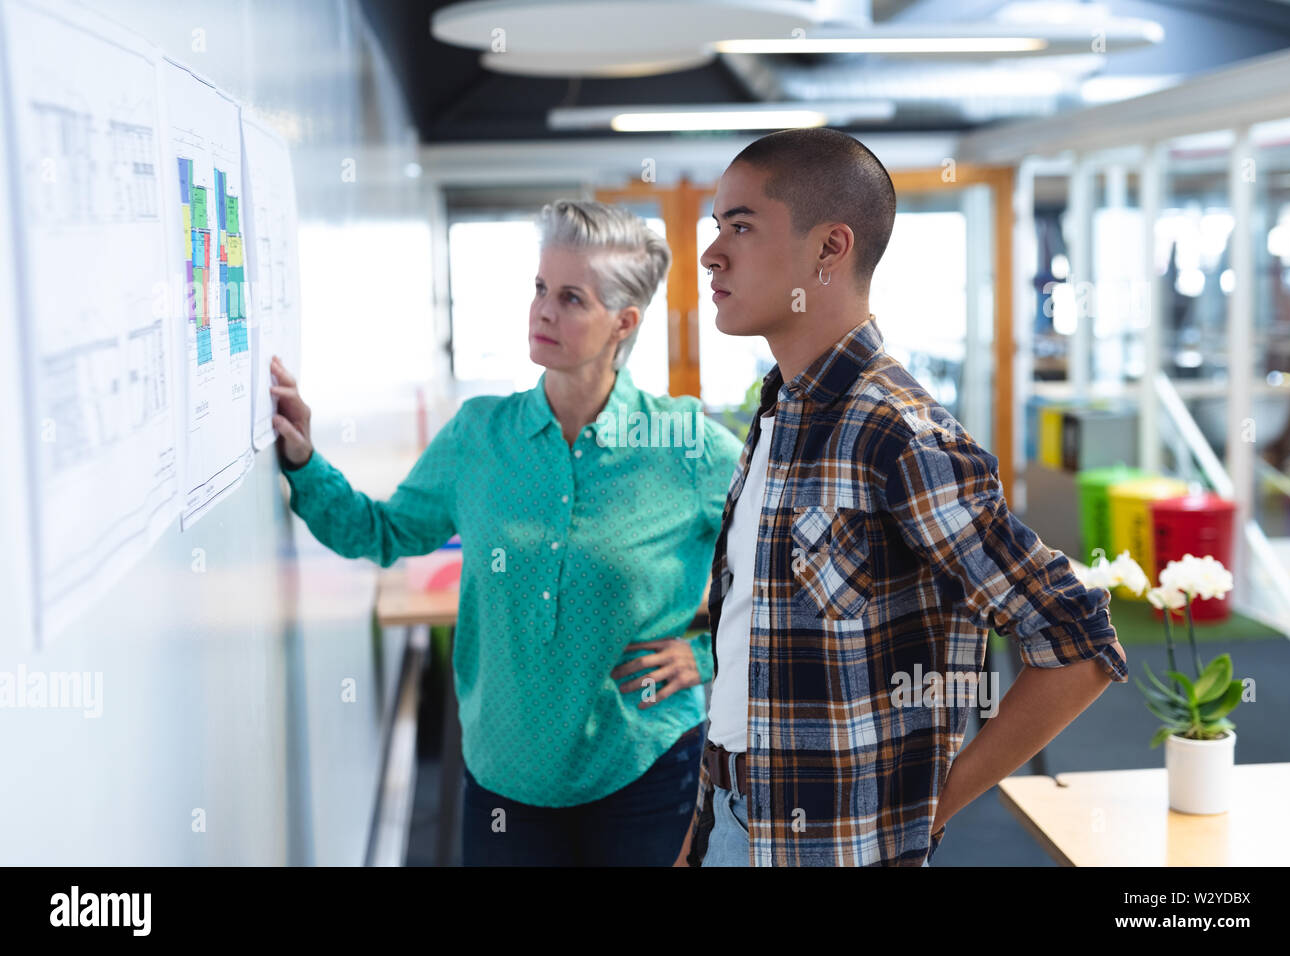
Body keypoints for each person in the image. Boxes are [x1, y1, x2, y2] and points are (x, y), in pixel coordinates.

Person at [678, 127, 1129, 867]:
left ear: (830, 249)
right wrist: (702, 837)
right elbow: (749, 662)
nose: (712, 253)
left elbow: (1078, 645)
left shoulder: (898, 434)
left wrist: (929, 811)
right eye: (715, 226)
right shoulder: (775, 416)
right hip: (728, 819)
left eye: (741, 226)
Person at [271, 199, 744, 866]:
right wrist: (302, 461)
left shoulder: (686, 445)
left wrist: (706, 659)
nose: (544, 311)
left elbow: (781, 575)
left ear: (623, 323)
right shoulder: (480, 435)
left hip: (644, 764)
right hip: (504, 776)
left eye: (572, 298)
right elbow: (381, 533)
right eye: (540, 289)